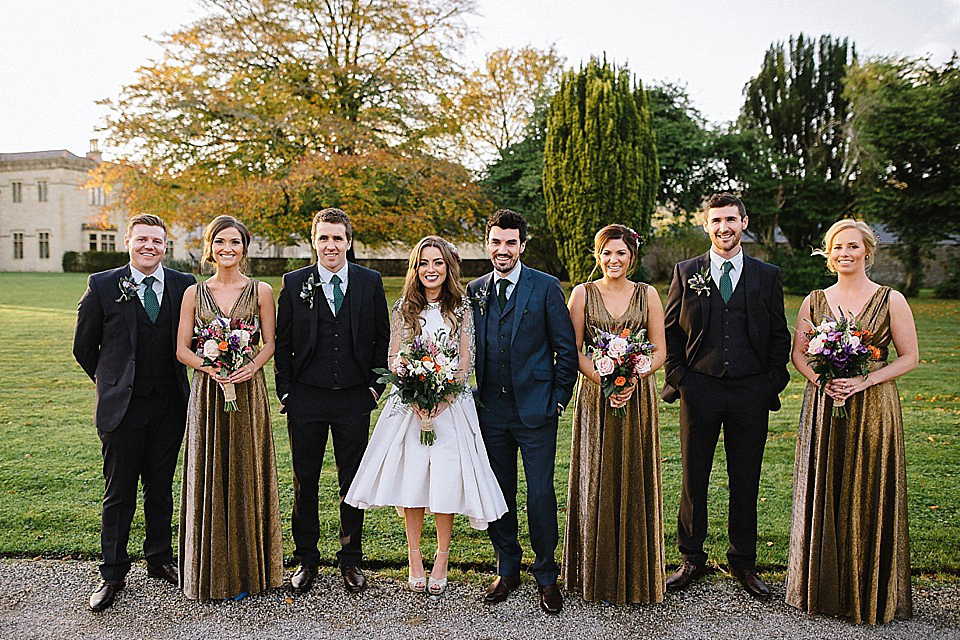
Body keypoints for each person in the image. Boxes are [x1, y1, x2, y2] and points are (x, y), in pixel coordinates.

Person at [345, 236, 508, 595]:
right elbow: (393, 357)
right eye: (424, 263)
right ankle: (414, 555)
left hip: (451, 406)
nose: (431, 270)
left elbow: (465, 361)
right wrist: (415, 395)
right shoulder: (404, 306)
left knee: (445, 480)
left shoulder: (461, 308)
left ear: (448, 268)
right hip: (409, 407)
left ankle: (442, 556)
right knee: (414, 481)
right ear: (415, 268)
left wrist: (443, 397)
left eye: (438, 263)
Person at [785, 219, 918, 624]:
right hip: (827, 407)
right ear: (828, 254)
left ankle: (869, 588)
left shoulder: (891, 299)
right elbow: (800, 356)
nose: (844, 253)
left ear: (867, 251)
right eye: (836, 247)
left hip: (874, 408)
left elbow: (909, 357)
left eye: (852, 247)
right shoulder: (814, 300)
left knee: (867, 488)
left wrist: (864, 380)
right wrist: (823, 383)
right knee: (826, 485)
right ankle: (821, 587)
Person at [661, 193, 791, 599]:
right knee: (693, 477)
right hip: (699, 389)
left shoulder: (766, 274)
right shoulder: (687, 271)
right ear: (706, 225)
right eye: (716, 220)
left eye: (731, 219)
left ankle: (743, 562)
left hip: (751, 391)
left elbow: (778, 334)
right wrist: (680, 378)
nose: (724, 227)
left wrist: (770, 382)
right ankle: (691, 558)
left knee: (745, 478)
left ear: (744, 222)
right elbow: (669, 331)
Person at [73, 214, 196, 612]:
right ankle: (112, 572)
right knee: (119, 491)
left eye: (157, 241)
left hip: (169, 406)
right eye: (142, 239)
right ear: (128, 241)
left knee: (160, 486)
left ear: (166, 246)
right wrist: (110, 381)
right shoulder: (103, 284)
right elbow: (83, 347)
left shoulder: (183, 286)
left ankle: (159, 558)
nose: (150, 246)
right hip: (121, 408)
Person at [466, 209, 578, 614]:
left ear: (522, 245)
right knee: (500, 492)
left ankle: (547, 575)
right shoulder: (475, 289)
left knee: (541, 493)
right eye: (496, 241)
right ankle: (507, 567)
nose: (502, 249)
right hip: (491, 412)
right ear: (488, 244)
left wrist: (559, 399)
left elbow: (566, 349)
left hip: (537, 412)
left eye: (510, 242)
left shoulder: (546, 287)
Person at [275, 207, 390, 594]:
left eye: (337, 238)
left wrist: (375, 388)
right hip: (305, 398)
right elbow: (283, 342)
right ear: (314, 241)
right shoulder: (294, 283)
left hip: (354, 399)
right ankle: (306, 558)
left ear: (349, 241)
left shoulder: (369, 281)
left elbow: (382, 339)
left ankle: (350, 559)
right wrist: (287, 391)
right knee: (304, 482)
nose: (330, 245)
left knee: (352, 482)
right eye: (323, 237)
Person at [175, 216, 284, 600]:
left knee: (246, 469)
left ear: (244, 248)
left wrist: (248, 368)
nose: (227, 248)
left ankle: (252, 571)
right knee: (209, 472)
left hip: (248, 390)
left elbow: (270, 343)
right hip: (208, 393)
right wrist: (215, 369)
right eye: (220, 242)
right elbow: (182, 348)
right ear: (210, 247)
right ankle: (208, 570)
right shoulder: (193, 293)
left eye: (235, 242)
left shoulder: (261, 292)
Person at [563, 224, 667, 605]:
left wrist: (632, 376)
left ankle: (638, 572)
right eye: (607, 252)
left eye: (621, 253)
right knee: (597, 475)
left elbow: (659, 350)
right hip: (596, 397)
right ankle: (592, 571)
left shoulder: (649, 294)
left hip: (637, 397)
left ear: (632, 256)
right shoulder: (582, 294)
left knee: (635, 475)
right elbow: (572, 349)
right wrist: (606, 376)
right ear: (597, 255)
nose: (614, 260)